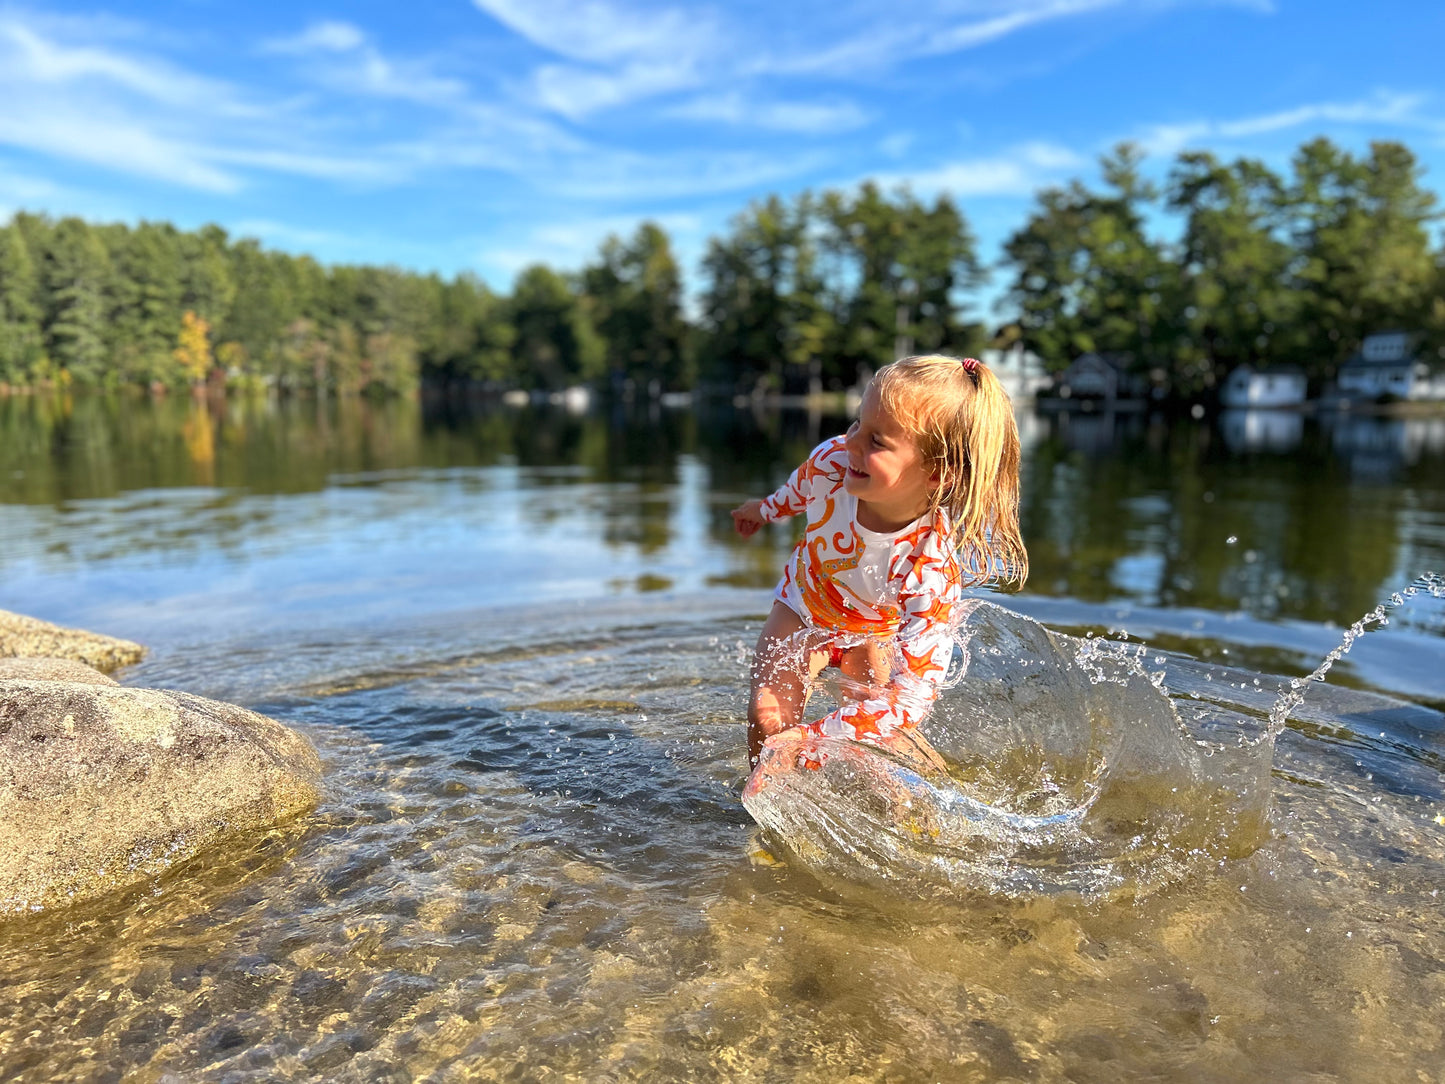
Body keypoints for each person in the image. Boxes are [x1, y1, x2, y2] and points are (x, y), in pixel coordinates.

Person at [730, 354, 1027, 772]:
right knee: (769, 720)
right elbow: (795, 494)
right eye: (857, 424)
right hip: (802, 607)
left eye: (876, 441)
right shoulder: (833, 464)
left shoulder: (930, 570)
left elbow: (910, 699)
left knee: (874, 748)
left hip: (872, 631)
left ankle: (913, 806)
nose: (848, 441)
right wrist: (761, 511)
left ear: (939, 474)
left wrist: (813, 736)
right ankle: (760, 818)